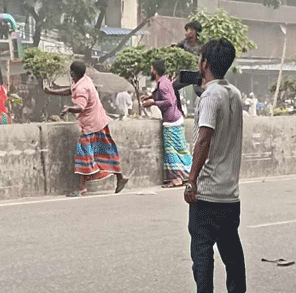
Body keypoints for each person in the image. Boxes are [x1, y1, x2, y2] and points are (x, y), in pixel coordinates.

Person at [172, 39, 246, 293]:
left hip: (209, 190)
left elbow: (203, 138)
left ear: (204, 63)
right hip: (230, 191)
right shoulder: (235, 94)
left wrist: (191, 182)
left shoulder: (210, 97)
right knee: (231, 248)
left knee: (201, 248)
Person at [44, 61, 129, 197]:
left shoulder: (81, 88)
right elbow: (70, 90)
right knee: (106, 151)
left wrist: (68, 108)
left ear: (72, 73)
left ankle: (82, 188)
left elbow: (81, 106)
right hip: (99, 121)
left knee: (83, 156)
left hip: (91, 126)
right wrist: (52, 92)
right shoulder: (85, 80)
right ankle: (120, 176)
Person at [142, 59, 193, 188]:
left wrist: (153, 102)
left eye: (151, 68)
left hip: (171, 121)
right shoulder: (164, 81)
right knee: (181, 149)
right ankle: (190, 174)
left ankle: (177, 178)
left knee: (171, 150)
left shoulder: (163, 83)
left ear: (154, 70)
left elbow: (169, 101)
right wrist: (150, 97)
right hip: (176, 118)